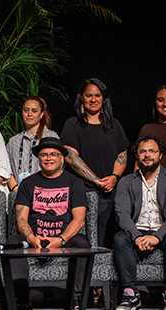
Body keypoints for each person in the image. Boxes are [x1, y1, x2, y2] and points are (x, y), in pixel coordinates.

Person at [6, 137, 89, 310]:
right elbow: (21, 219)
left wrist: (61, 239)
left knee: (82, 243)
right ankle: (22, 300)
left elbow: (79, 219)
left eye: (53, 154)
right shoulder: (28, 183)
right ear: (39, 159)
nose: (48, 158)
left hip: (64, 237)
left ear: (61, 159)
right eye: (44, 154)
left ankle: (76, 298)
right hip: (35, 236)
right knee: (13, 242)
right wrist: (31, 238)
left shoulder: (75, 183)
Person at [113, 135, 166, 310]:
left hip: (164, 231)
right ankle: (131, 295)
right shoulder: (127, 181)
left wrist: (156, 237)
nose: (147, 155)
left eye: (152, 151)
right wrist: (137, 236)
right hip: (137, 230)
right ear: (137, 156)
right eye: (143, 151)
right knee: (120, 238)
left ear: (160, 155)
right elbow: (121, 213)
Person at [61, 78, 129, 248]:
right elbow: (71, 157)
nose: (93, 99)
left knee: (108, 241)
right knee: (86, 240)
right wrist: (96, 180)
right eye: (89, 95)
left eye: (97, 95)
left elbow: (122, 153)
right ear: (82, 98)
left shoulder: (113, 125)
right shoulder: (73, 124)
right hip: (83, 192)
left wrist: (114, 177)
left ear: (103, 98)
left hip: (110, 192)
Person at [6, 96, 60, 191]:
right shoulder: (13, 141)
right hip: (18, 192)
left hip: (45, 192)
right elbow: (5, 167)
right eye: (26, 110)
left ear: (41, 114)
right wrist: (15, 188)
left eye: (34, 111)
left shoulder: (50, 137)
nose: (29, 114)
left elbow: (58, 166)